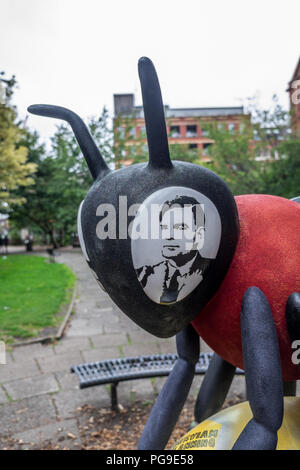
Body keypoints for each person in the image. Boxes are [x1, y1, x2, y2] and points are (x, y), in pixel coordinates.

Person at [136, 196, 210, 304]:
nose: (168, 236)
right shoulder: (145, 273)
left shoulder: (211, 270)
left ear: (199, 235)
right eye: (164, 227)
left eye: (180, 228)